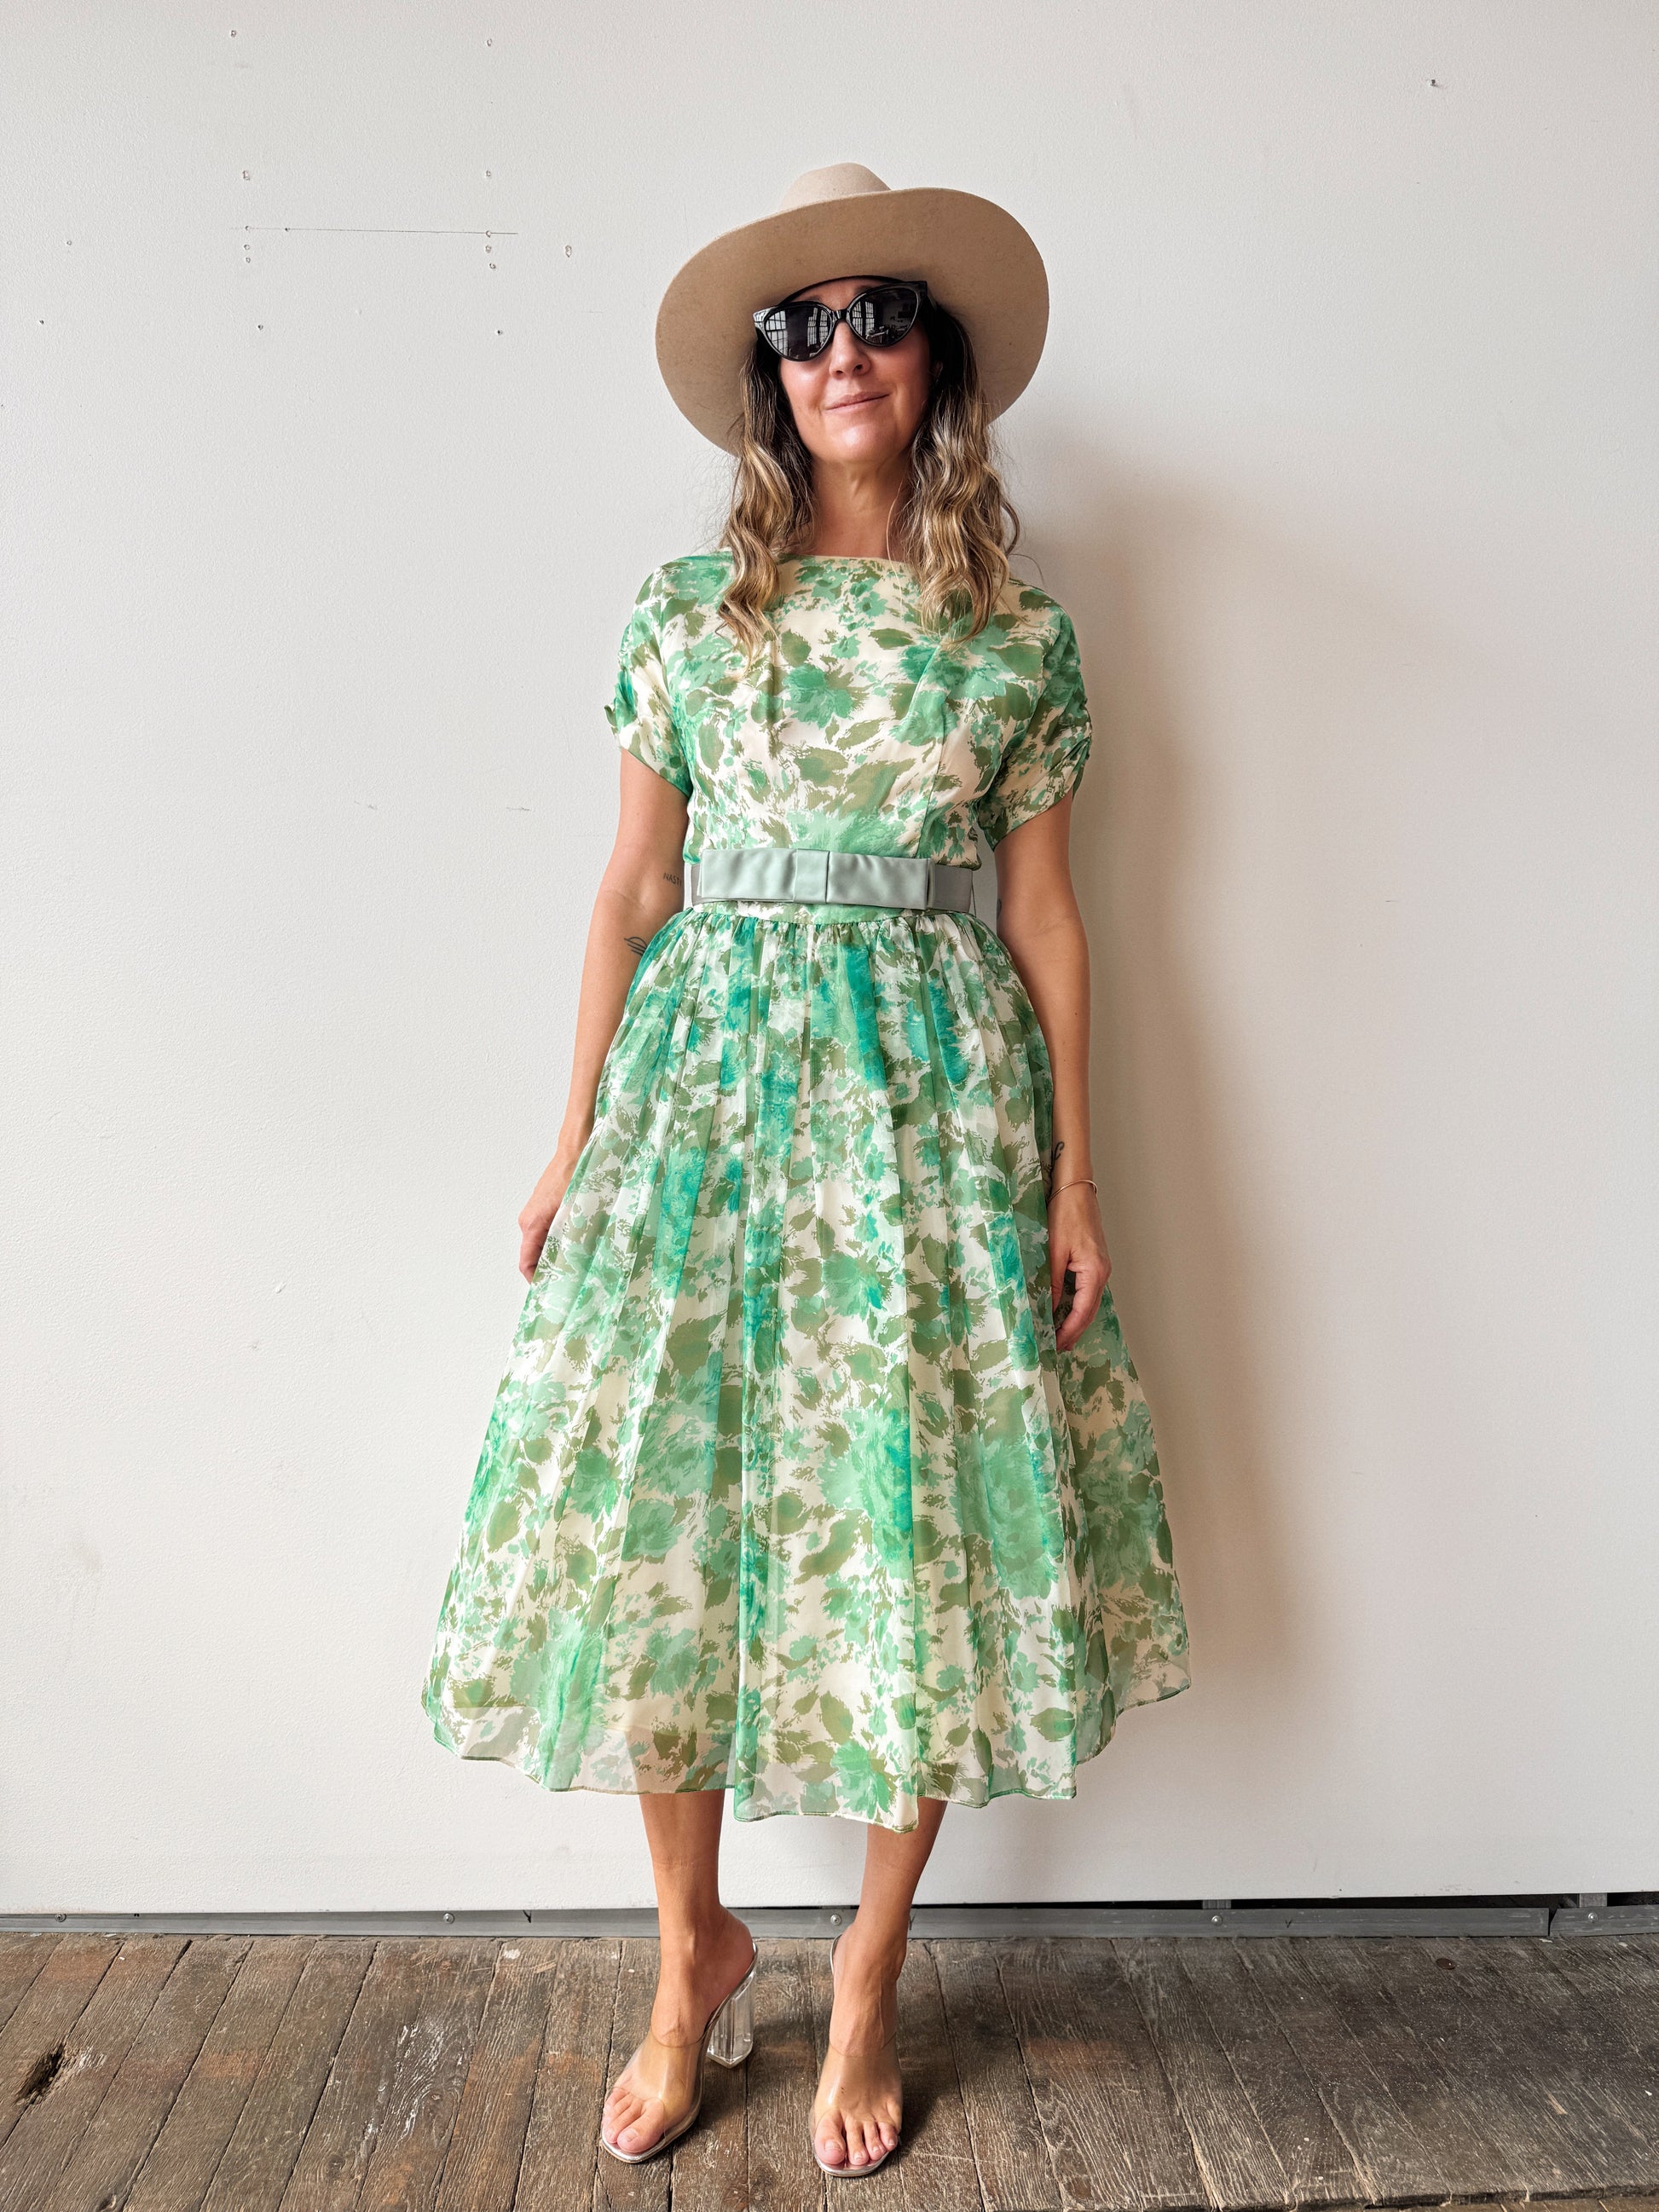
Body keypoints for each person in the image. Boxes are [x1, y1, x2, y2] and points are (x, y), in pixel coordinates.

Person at [421, 162, 1190, 2176]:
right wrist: (569, 1141)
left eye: (878, 317)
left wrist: (1080, 1180)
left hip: (937, 1122)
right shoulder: (694, 612)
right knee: (664, 1508)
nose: (841, 350)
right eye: (802, 326)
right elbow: (628, 889)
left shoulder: (1014, 632)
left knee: (906, 1521)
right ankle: (687, 1956)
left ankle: (864, 1968)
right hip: (705, 1109)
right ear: (770, 380)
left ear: (933, 361)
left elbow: (1048, 921)